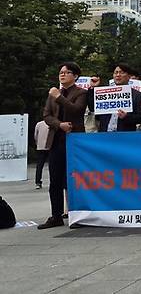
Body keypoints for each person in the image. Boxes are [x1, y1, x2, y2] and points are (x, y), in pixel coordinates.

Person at [38, 62, 88, 229]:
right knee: (55, 180)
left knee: (73, 179)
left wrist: (59, 97)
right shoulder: (53, 93)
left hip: (75, 141)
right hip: (56, 140)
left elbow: (76, 110)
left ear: (75, 76)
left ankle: (76, 213)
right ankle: (56, 215)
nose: (62, 75)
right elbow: (47, 115)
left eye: (67, 72)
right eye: (61, 72)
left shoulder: (81, 92)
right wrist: (59, 125)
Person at [89, 63, 141, 132]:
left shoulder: (138, 95)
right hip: (105, 135)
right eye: (116, 73)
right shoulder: (105, 93)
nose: (118, 75)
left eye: (122, 72)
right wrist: (93, 88)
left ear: (129, 76)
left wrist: (126, 117)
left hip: (125, 136)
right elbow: (92, 108)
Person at [33, 120, 50, 190]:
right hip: (49, 146)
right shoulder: (51, 124)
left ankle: (38, 182)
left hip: (40, 147)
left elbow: (35, 136)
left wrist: (38, 143)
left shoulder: (39, 124)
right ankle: (54, 180)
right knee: (52, 165)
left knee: (39, 166)